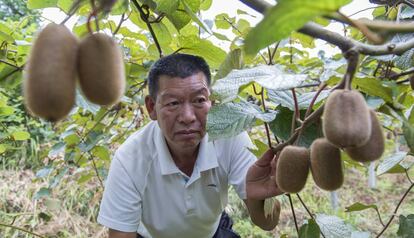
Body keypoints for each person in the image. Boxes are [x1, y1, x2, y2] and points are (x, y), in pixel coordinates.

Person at [97, 53, 282, 238]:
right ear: (152, 107)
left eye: (199, 100)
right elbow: (121, 234)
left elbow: (267, 222)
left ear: (212, 102)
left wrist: (261, 199)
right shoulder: (130, 158)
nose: (187, 117)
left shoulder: (229, 137)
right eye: (173, 103)